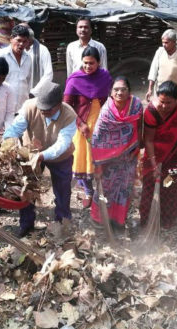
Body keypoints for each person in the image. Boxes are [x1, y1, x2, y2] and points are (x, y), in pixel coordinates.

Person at [2, 81, 77, 237]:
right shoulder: (30, 106)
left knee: (63, 191)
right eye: (41, 107)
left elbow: (62, 144)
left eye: (48, 109)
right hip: (31, 153)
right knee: (26, 188)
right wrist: (8, 143)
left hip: (60, 157)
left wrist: (42, 156)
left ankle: (62, 224)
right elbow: (15, 129)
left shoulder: (69, 115)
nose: (43, 111)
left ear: (59, 104)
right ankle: (26, 224)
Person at [140, 81, 177, 229]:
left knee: (172, 189)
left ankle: (168, 222)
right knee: (149, 189)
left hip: (176, 154)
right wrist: (154, 165)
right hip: (154, 153)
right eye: (162, 102)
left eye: (169, 103)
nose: (165, 106)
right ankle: (147, 223)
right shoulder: (151, 111)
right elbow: (148, 139)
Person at [90, 76, 143, 232]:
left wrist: (137, 146)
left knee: (124, 189)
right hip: (108, 160)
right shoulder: (106, 112)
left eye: (123, 89)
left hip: (129, 157)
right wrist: (98, 166)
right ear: (111, 93)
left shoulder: (136, 105)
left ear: (129, 91)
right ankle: (99, 220)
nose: (120, 92)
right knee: (106, 188)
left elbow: (140, 127)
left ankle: (118, 220)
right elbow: (97, 139)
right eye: (116, 89)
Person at [64, 46, 113, 208]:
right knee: (83, 160)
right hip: (83, 128)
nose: (87, 66)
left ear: (98, 62)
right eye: (85, 63)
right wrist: (80, 123)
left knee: (101, 159)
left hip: (103, 124)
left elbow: (111, 99)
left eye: (91, 63)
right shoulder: (74, 80)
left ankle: (102, 192)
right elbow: (66, 106)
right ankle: (88, 191)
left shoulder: (105, 77)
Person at [0, 25, 32, 115]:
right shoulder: (0, 55)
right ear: (11, 39)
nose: (21, 44)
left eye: (24, 41)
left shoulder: (28, 58)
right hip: (3, 106)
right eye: (18, 40)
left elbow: (28, 80)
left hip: (21, 108)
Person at [146, 29, 177, 102]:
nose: (164, 45)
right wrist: (150, 89)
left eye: (166, 42)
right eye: (163, 42)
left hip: (174, 93)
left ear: (174, 42)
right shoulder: (159, 52)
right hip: (160, 92)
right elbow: (153, 72)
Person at [23, 26, 54, 98]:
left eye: (24, 39)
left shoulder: (42, 50)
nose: (21, 42)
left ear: (29, 38)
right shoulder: (18, 51)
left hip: (38, 95)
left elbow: (48, 74)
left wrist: (33, 92)